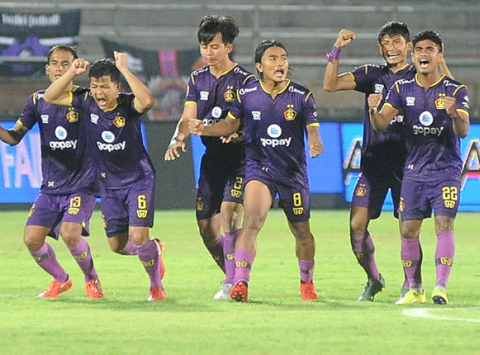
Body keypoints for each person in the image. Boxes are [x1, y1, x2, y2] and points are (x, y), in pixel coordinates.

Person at [192, 40, 324, 303]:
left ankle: (306, 282)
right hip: (259, 169)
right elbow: (231, 124)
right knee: (251, 223)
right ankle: (241, 283)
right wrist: (204, 129)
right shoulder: (247, 93)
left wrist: (316, 141)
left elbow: (312, 127)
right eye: (273, 59)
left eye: (283, 58)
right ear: (259, 66)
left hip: (292, 173)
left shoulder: (301, 95)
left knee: (301, 232)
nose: (280, 63)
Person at [0, 44, 103, 300]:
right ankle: (61, 279)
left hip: (82, 184)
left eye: (66, 63)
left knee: (71, 234)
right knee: (31, 239)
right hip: (51, 186)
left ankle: (92, 279)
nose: (60, 68)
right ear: (47, 68)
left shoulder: (85, 98)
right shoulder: (37, 101)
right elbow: (15, 137)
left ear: (75, 67)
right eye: (55, 64)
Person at [44, 52, 166, 301]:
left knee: (138, 236)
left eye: (105, 86)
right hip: (108, 185)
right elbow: (50, 96)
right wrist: (71, 73)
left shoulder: (127, 104)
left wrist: (124, 68)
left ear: (117, 87)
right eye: (95, 86)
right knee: (117, 246)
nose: (99, 92)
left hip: (137, 181)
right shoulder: (86, 101)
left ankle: (156, 287)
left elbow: (148, 101)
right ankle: (154, 250)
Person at [369, 30, 469, 306]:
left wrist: (454, 113)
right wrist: (373, 110)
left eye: (430, 49)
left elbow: (463, 131)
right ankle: (415, 288)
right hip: (413, 170)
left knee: (444, 224)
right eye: (420, 50)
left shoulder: (456, 90)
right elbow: (381, 124)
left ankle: (440, 287)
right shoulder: (402, 89)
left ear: (440, 54)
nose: (424, 54)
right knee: (408, 230)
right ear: (414, 56)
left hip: (446, 170)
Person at [322, 22, 418, 301]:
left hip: (408, 165)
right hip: (374, 165)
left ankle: (411, 283)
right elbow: (330, 84)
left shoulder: (419, 77)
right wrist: (336, 49)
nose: (391, 48)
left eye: (397, 42)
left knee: (408, 228)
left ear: (408, 46)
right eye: (386, 43)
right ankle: (374, 278)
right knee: (356, 226)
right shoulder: (372, 74)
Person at [165, 15, 252, 300]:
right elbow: (188, 118)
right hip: (212, 158)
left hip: (241, 158)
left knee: (229, 215)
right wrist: (178, 138)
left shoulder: (244, 80)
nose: (208, 52)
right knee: (205, 226)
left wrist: (231, 131)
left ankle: (235, 281)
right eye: (204, 46)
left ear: (228, 47)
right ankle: (231, 271)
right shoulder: (197, 79)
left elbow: (246, 121)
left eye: (214, 46)